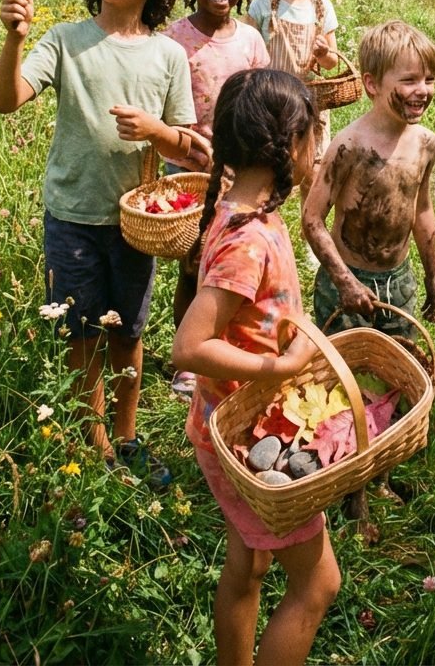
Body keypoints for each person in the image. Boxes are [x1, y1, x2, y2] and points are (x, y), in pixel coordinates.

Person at [0, 0, 204, 488]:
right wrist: (14, 38)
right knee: (82, 336)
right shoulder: (64, 39)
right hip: (72, 218)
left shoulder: (167, 55)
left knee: (129, 334)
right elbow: (7, 100)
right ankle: (96, 441)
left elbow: (190, 145)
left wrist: (155, 132)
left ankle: (128, 434)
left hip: (137, 225)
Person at [172, 69, 341, 666]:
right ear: (287, 147)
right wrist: (279, 366)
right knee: (319, 585)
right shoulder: (248, 239)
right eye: (312, 138)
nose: (317, 150)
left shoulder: (242, 208)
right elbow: (189, 347)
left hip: (226, 426)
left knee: (249, 561)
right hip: (243, 440)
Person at [301, 19, 435, 531]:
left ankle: (379, 472)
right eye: (407, 80)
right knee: (345, 388)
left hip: (398, 282)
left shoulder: (425, 143)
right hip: (347, 283)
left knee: (394, 381)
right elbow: (312, 221)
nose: (421, 90)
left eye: (428, 78)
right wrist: (343, 279)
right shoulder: (350, 145)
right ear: (371, 83)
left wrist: (433, 275)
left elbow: (421, 210)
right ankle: (350, 493)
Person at [165, 0, 269, 397]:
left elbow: (264, 102)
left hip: (240, 176)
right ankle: (185, 358)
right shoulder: (174, 39)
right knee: (191, 265)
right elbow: (160, 106)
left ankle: (226, 347)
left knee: (229, 269)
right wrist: (187, 144)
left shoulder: (249, 39)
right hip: (187, 173)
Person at [246, 0, 338, 194]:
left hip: (311, 102)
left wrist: (323, 54)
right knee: (270, 169)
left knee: (312, 171)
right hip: (272, 100)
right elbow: (247, 51)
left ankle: (310, 227)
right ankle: (266, 227)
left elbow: (332, 62)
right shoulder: (263, 5)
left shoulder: (322, 7)